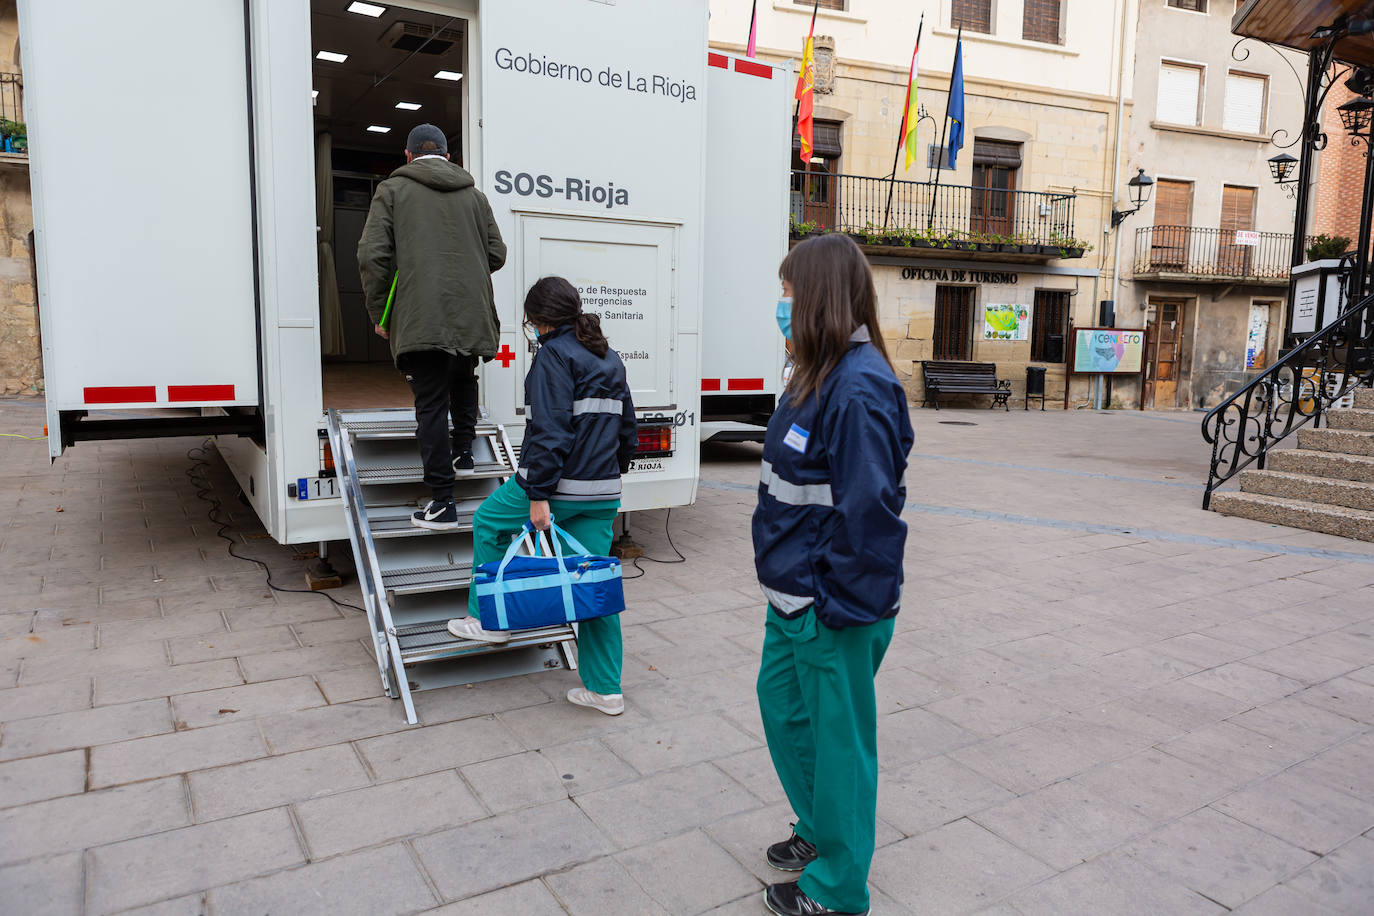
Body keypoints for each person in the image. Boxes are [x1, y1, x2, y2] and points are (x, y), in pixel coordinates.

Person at [752, 233, 913, 916]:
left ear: (815, 296)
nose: (781, 305)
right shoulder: (813, 374)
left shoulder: (860, 387)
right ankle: (818, 831)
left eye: (788, 292)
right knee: (784, 711)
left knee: (841, 747)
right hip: (790, 597)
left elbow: (869, 517)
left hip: (829, 608)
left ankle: (840, 888)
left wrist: (836, 607)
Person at [447, 276, 637, 716]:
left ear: (538, 320)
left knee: (489, 522)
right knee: (595, 590)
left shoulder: (553, 356)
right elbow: (628, 428)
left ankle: (487, 620)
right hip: (602, 491)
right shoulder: (609, 358)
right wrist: (611, 473)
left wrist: (537, 493)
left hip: (560, 486)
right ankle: (605, 690)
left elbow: (550, 432)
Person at [357, 123, 507, 530]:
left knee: (430, 405)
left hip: (421, 316)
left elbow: (373, 256)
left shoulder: (392, 191)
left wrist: (380, 314)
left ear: (407, 156)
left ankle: (442, 501)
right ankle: (464, 452)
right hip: (471, 312)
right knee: (463, 376)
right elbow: (497, 253)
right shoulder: (475, 197)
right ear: (448, 156)